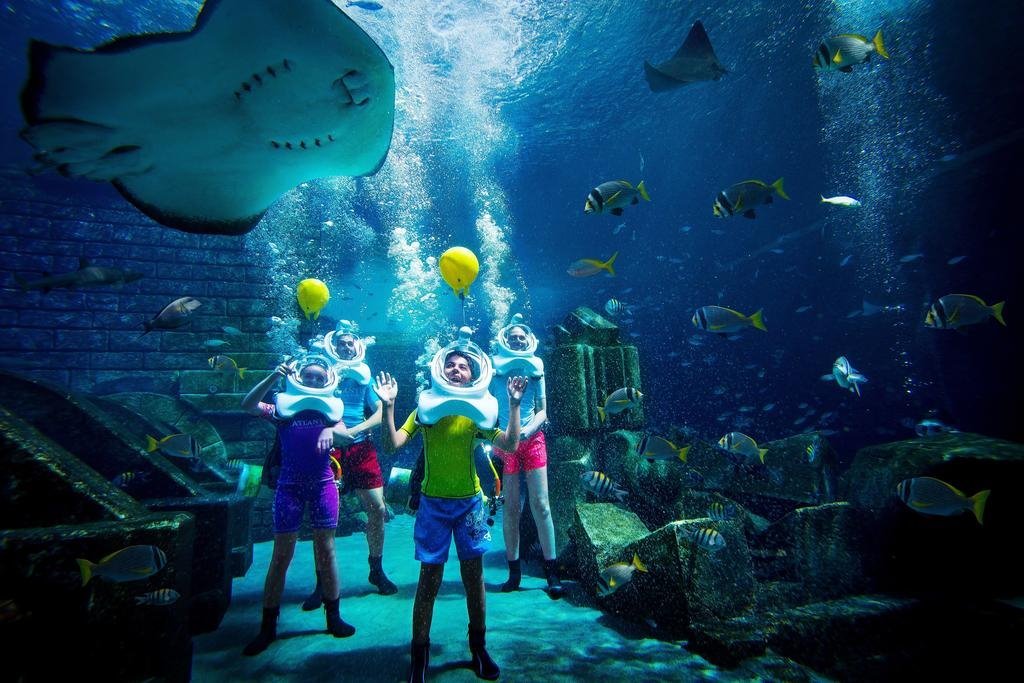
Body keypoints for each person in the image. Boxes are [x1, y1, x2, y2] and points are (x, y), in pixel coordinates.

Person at [377, 331, 527, 683]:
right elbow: (392, 444)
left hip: (471, 505)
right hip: (433, 506)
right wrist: (388, 407)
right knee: (429, 579)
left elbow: (509, 444)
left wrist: (514, 405)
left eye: (463, 366)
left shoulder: (476, 412)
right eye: (451, 364)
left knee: (474, 578)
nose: (457, 369)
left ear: (474, 375)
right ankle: (419, 655)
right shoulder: (426, 410)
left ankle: (479, 648)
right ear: (440, 370)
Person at [240, 355, 356, 657]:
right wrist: (272, 378)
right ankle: (268, 627)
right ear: (298, 378)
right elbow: (248, 405)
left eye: (320, 377)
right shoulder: (283, 409)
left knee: (327, 551)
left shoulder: (331, 410)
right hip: (288, 487)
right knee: (281, 555)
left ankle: (333, 617)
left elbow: (346, 436)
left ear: (327, 381)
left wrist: (331, 431)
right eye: (309, 376)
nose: (314, 381)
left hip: (323, 485)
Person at [302, 326, 396, 610]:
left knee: (377, 508)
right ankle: (321, 582)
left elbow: (379, 414)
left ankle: (376, 569)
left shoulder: (365, 377)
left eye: (350, 343)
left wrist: (351, 431)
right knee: (323, 517)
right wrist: (331, 432)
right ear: (333, 347)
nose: (346, 348)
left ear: (358, 347)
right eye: (341, 344)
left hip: (361, 447)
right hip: (327, 449)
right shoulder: (322, 373)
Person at [489, 316, 561, 598]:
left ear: (529, 340)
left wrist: (526, 432)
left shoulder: (536, 367)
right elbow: (487, 407)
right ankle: (514, 573)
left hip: (533, 440)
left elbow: (543, 410)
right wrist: (503, 436)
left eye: (522, 338)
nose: (518, 341)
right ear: (504, 340)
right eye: (513, 338)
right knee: (511, 508)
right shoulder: (494, 367)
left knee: (541, 505)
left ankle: (551, 572)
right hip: (505, 442)